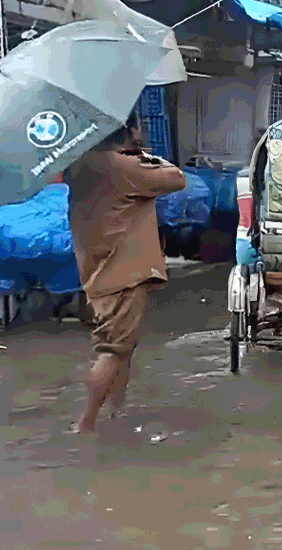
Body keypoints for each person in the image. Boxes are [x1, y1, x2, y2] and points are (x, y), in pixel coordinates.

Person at [64, 110, 187, 434]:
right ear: (129, 130)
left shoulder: (83, 164)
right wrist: (138, 153)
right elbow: (176, 177)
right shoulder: (125, 166)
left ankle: (116, 414)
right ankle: (86, 425)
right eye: (139, 126)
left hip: (98, 269)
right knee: (113, 350)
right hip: (122, 272)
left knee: (122, 348)